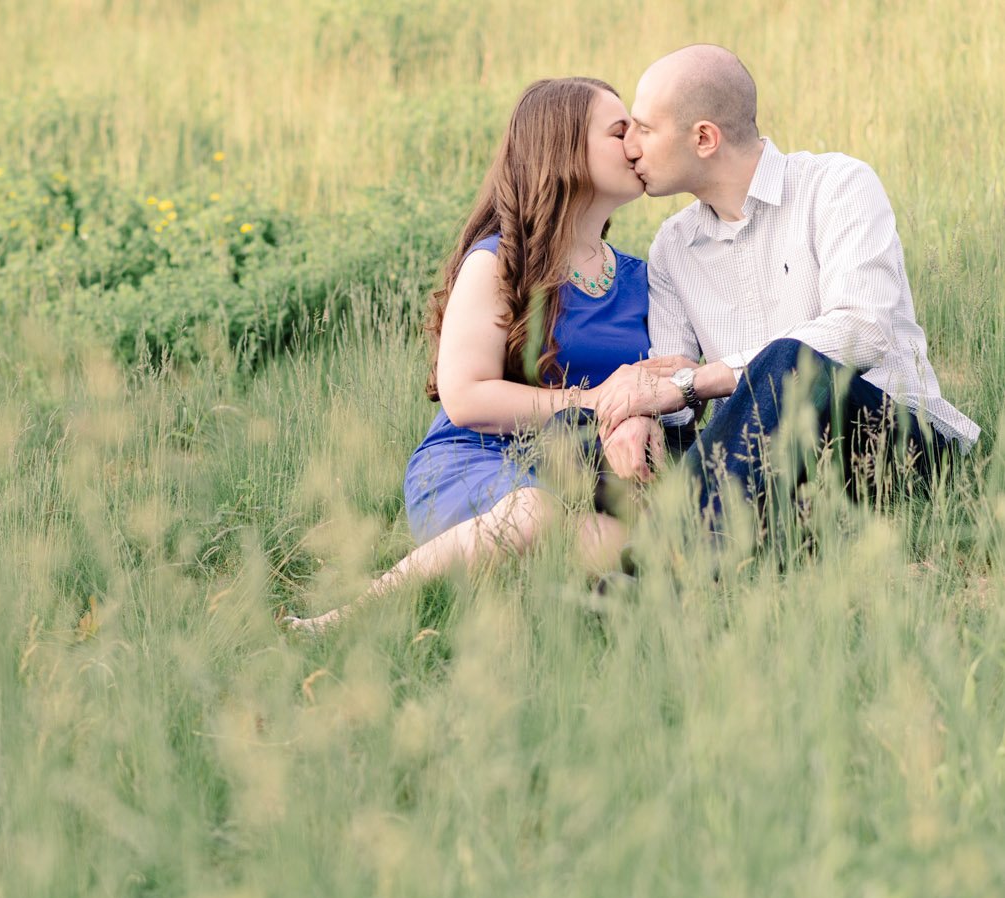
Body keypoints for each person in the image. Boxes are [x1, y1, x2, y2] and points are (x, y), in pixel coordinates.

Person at [283, 77, 680, 635]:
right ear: (562, 147)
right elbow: (466, 397)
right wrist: (595, 400)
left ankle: (536, 614)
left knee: (639, 548)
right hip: (480, 460)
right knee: (532, 515)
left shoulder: (643, 278)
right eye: (619, 131)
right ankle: (343, 623)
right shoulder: (499, 264)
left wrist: (637, 410)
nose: (637, 144)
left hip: (588, 475)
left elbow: (662, 380)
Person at [594, 43, 981, 524]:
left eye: (645, 129)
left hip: (893, 444)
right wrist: (641, 415)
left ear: (704, 138)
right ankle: (653, 540)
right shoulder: (673, 246)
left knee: (790, 359)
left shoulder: (838, 186)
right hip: (771, 455)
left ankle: (671, 551)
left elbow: (863, 332)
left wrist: (701, 380)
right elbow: (669, 387)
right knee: (596, 428)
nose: (631, 146)